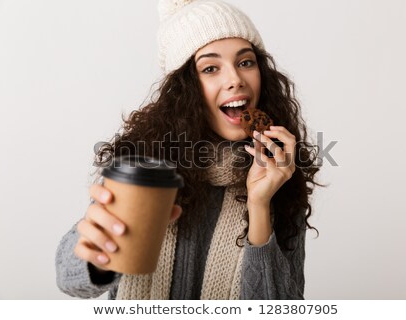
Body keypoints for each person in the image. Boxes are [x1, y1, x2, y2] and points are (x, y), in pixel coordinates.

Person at [55, 0, 320, 300]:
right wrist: (97, 252)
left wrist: (260, 205)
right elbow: (68, 277)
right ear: (185, 89)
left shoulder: (280, 179)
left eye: (246, 62)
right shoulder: (144, 166)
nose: (235, 80)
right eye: (210, 68)